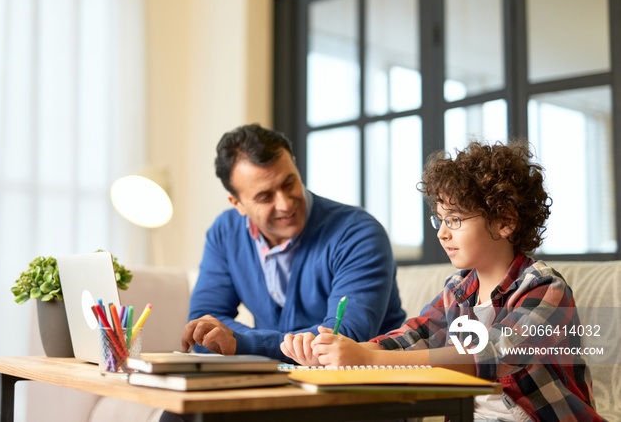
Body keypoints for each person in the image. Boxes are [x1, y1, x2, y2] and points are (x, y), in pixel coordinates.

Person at [281, 141, 602, 421]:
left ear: (505, 221)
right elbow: (410, 337)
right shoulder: (458, 290)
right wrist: (335, 353)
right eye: (439, 219)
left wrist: (367, 359)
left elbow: (491, 356)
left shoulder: (545, 289)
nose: (441, 232)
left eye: (455, 220)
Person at [180, 124, 406, 361]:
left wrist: (241, 343)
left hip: (363, 382)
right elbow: (203, 328)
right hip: (273, 381)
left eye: (289, 183)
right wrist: (240, 343)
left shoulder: (357, 232)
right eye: (265, 197)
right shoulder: (225, 232)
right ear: (237, 204)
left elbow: (342, 338)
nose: (285, 204)